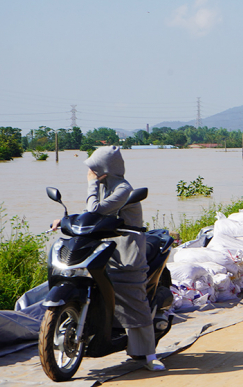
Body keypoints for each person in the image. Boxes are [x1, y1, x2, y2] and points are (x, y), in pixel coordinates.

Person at [53, 146, 165, 371]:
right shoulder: (105, 187)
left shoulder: (123, 189)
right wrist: (65, 220)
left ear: (106, 169)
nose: (91, 172)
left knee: (134, 298)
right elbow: (89, 214)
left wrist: (91, 183)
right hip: (106, 248)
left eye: (95, 168)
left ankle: (150, 355)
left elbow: (95, 209)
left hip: (127, 252)